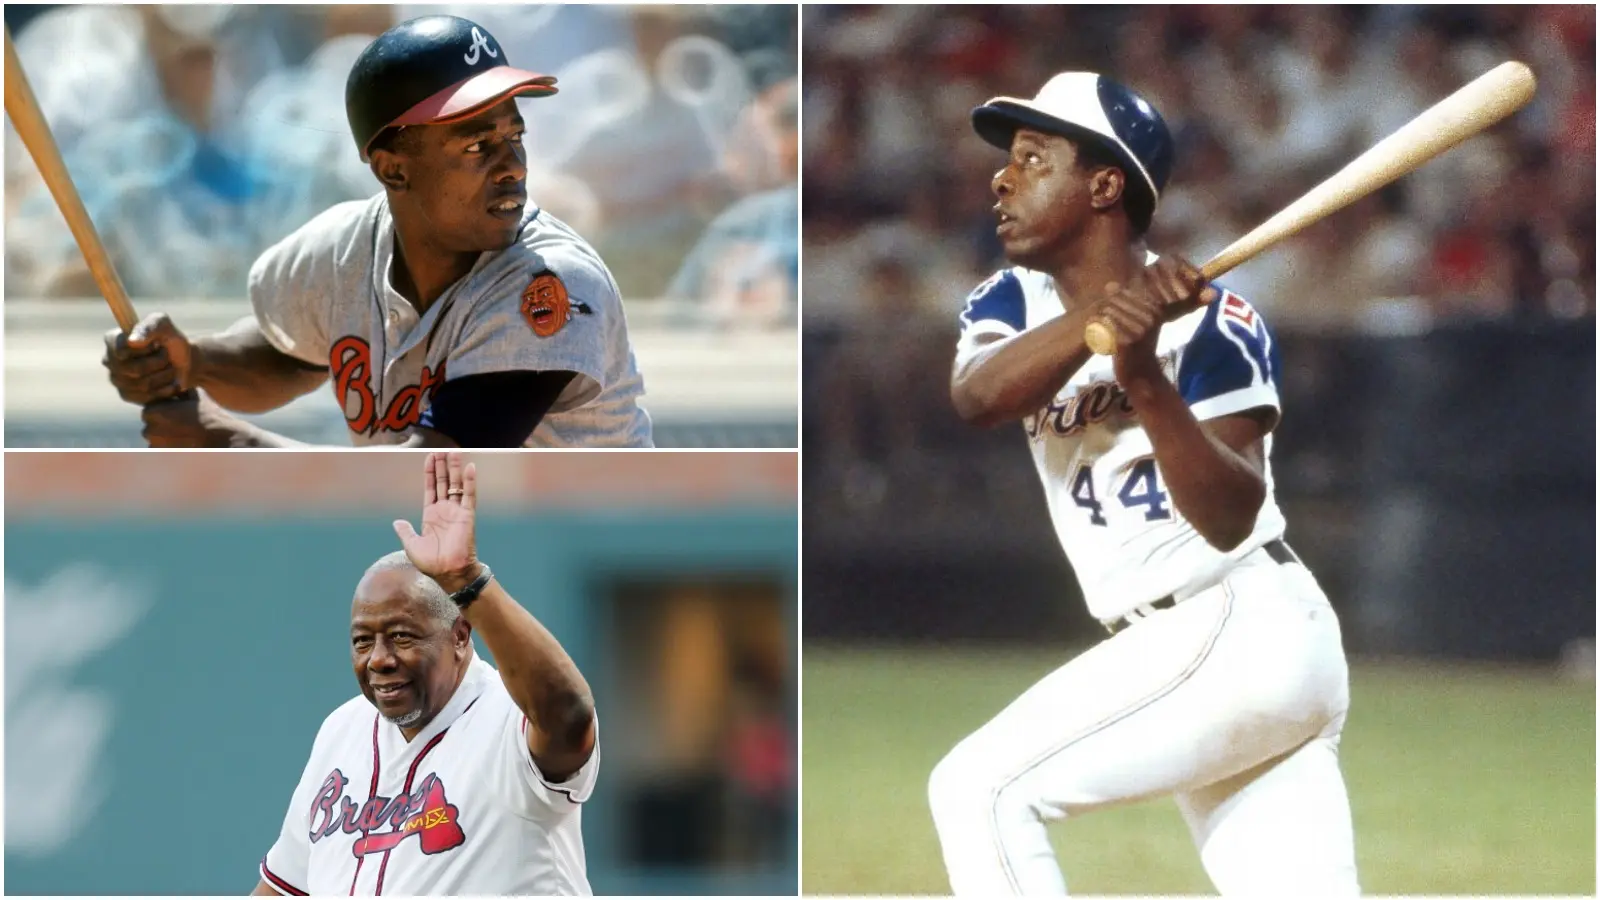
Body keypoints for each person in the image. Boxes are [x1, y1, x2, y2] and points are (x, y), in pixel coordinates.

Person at [928, 72, 1359, 896]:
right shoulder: (1009, 300)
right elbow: (978, 397)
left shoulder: (1216, 321)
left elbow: (1233, 516)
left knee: (978, 790)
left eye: (1032, 157)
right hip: (1188, 646)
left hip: (1238, 617)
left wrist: (1144, 377)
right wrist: (1102, 318)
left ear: (1104, 183)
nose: (1002, 176)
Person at [104, 15, 653, 448]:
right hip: (455, 568)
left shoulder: (552, 282)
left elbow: (432, 477)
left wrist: (229, 441)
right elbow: (289, 356)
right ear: (393, 168)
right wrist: (192, 362)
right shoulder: (345, 249)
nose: (512, 164)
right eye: (477, 145)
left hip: (588, 560)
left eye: (515, 134)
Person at [255, 452, 597, 896]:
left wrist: (466, 580)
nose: (378, 659)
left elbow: (570, 715)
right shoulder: (343, 729)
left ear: (459, 636)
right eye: (363, 641)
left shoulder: (506, 719)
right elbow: (283, 888)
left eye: (400, 636)